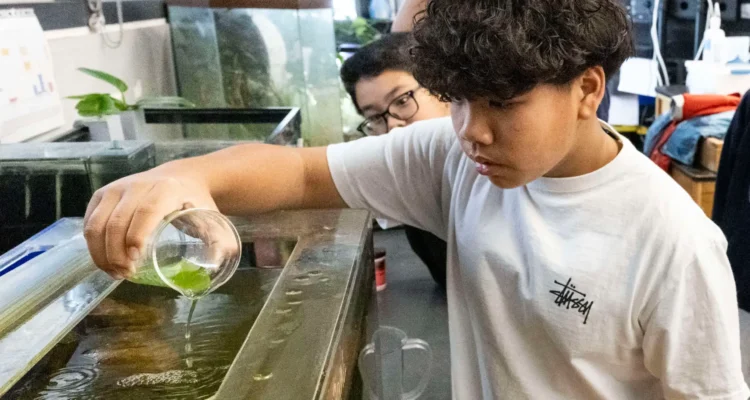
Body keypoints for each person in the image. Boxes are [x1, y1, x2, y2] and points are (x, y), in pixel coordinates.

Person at [83, 0, 749, 398]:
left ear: (587, 88)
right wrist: (188, 178)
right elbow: (301, 174)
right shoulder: (455, 159)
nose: (472, 129)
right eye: (456, 99)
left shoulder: (672, 245)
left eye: (502, 103)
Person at [341, 32, 451, 289]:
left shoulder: (494, 168)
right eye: (376, 118)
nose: (393, 125)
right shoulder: (404, 175)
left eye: (402, 101)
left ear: (444, 89)